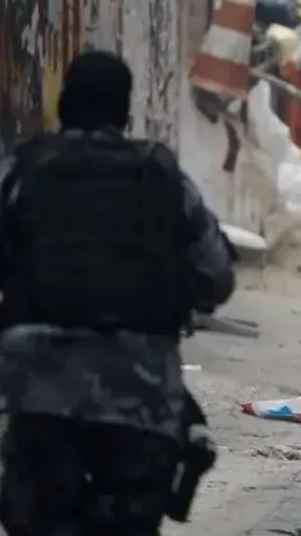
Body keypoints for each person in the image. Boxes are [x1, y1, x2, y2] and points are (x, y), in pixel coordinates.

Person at [0, 50, 237, 535]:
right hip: (140, 395)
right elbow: (216, 277)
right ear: (125, 113)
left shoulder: (22, 172)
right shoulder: (162, 177)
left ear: (63, 104)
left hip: (41, 391)